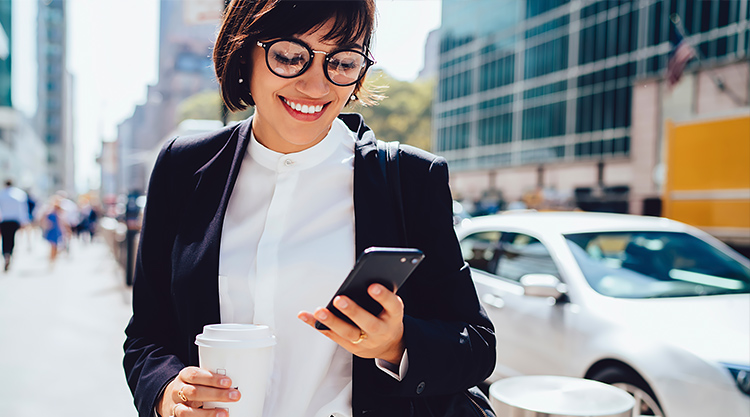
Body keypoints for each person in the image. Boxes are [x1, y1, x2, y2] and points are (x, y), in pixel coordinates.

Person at [123, 1, 495, 417]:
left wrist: (395, 343)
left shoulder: (410, 179)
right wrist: (167, 395)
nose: (316, 87)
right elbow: (146, 337)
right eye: (289, 56)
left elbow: (477, 345)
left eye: (342, 62)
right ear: (242, 50)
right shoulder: (184, 167)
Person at [0, 180, 31, 271]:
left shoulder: (2, 194)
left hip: (4, 220)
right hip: (14, 220)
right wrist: (24, 221)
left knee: (5, 238)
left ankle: (6, 254)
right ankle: (10, 253)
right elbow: (22, 209)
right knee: (12, 238)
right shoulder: (19, 194)